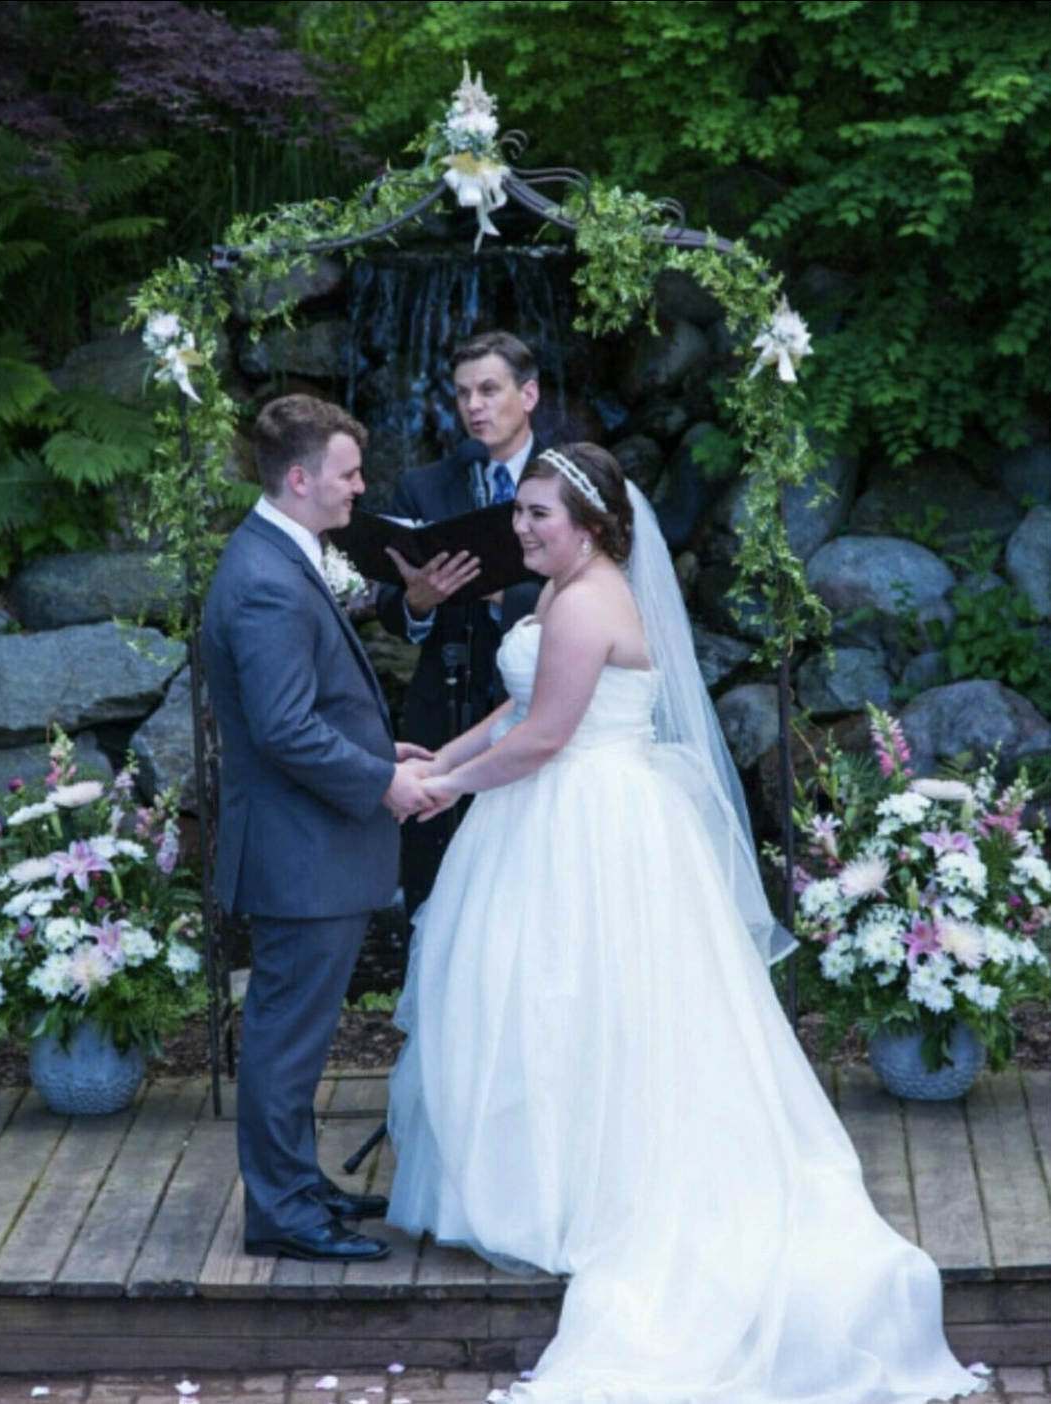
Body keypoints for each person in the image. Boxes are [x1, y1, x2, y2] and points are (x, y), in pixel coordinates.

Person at [386, 444, 986, 1403]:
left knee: (585, 999)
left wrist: (437, 791)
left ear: (592, 524)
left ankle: (585, 1194)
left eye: (540, 515)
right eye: (522, 512)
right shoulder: (560, 587)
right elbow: (517, 706)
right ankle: (537, 1180)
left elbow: (545, 738)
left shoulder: (586, 600)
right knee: (535, 1002)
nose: (522, 528)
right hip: (545, 814)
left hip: (592, 823)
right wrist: (433, 754)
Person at [201, 394, 432, 1264]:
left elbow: (303, 708)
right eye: (348, 475)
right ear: (299, 479)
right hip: (304, 851)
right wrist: (384, 784)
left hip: (311, 844)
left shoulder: (279, 553)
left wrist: (379, 742)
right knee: (285, 1036)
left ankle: (296, 1186)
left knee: (294, 1030)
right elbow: (285, 729)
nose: (360, 490)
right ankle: (282, 1214)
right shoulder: (264, 580)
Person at [375, 330, 543, 919]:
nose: (474, 406)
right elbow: (389, 606)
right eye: (463, 393)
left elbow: (598, 586)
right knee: (437, 888)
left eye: (489, 390)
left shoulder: (568, 482)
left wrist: (502, 595)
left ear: (529, 395)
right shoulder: (424, 487)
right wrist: (418, 603)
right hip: (440, 710)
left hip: (540, 704)